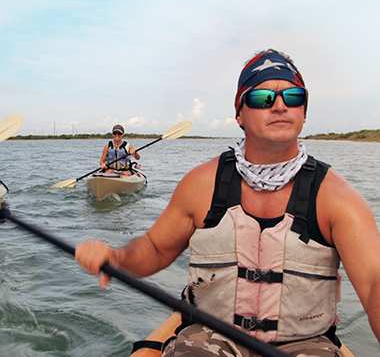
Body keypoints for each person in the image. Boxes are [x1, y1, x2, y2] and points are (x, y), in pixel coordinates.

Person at [75, 49, 380, 356]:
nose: (279, 105)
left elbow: (372, 284)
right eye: (262, 98)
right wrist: (117, 258)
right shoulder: (201, 185)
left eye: (293, 96)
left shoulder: (337, 198)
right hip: (210, 336)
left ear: (303, 111)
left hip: (306, 343)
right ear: (239, 114)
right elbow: (156, 248)